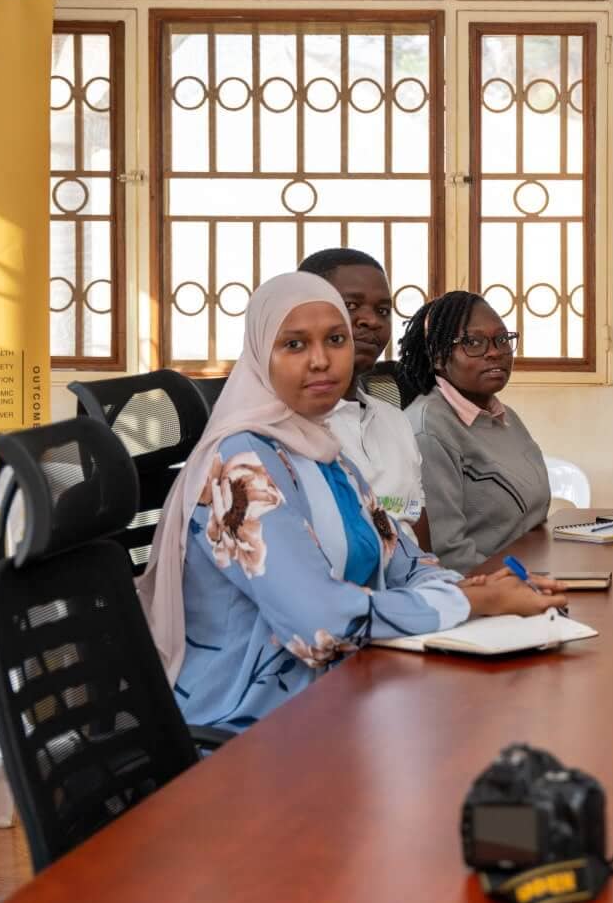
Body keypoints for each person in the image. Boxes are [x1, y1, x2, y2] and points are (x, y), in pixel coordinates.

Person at [139, 273, 571, 731]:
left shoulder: (326, 453)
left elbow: (406, 560)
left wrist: (476, 591)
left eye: (336, 339)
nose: (321, 361)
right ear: (259, 355)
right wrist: (471, 602)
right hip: (254, 720)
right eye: (294, 345)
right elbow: (319, 623)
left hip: (347, 687)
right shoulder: (239, 466)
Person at [399, 291, 552, 574]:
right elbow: (450, 556)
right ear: (437, 357)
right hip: (484, 591)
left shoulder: (503, 415)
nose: (494, 351)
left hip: (533, 566)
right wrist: (520, 589)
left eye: (502, 339)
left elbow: (534, 514)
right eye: (473, 342)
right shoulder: (429, 431)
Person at [297, 248, 423, 528]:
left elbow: (413, 519)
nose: (372, 320)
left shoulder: (395, 420)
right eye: (351, 306)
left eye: (383, 311)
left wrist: (440, 574)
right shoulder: (283, 428)